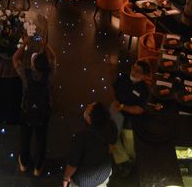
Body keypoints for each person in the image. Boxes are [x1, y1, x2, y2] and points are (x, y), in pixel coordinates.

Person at [13, 35, 57, 177]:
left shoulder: (26, 75)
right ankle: (38, 167)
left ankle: (24, 164)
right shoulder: (49, 75)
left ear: (33, 66)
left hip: (26, 111)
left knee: (25, 138)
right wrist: (45, 45)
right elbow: (54, 59)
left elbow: (15, 59)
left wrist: (24, 44)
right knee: (41, 139)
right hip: (44, 112)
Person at [110, 60, 158, 176]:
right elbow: (112, 89)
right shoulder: (123, 78)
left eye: (138, 71)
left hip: (132, 119)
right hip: (117, 112)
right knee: (112, 137)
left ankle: (130, 159)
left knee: (130, 144)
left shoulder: (144, 90)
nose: (134, 71)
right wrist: (115, 101)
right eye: (134, 68)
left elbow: (139, 109)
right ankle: (124, 162)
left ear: (143, 75)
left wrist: (123, 107)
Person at [63, 102, 118, 187]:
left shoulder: (81, 137)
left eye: (89, 107)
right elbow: (111, 147)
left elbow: (72, 165)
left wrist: (65, 179)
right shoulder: (112, 127)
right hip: (104, 174)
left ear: (89, 118)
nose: (88, 105)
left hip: (84, 181)